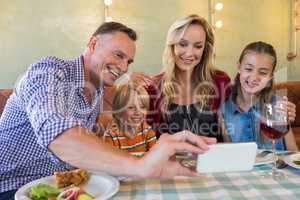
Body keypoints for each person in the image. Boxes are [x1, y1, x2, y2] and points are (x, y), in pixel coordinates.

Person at [0, 21, 217, 200]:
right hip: (11, 187)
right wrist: (139, 165)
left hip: (59, 188)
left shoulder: (98, 90)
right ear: (93, 44)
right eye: (118, 55)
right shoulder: (49, 71)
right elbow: (58, 133)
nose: (123, 68)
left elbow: (86, 151)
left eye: (128, 61)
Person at [144, 14, 231, 141]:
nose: (189, 53)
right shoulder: (153, 87)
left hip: (214, 159)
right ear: (172, 45)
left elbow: (233, 132)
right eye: (183, 44)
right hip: (169, 161)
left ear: (205, 49)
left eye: (197, 46)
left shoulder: (220, 81)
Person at [221, 41, 298, 151]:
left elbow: (294, 152)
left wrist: (287, 120)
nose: (254, 78)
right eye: (248, 69)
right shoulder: (224, 110)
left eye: (262, 72)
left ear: (270, 76)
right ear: (239, 67)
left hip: (277, 166)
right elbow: (229, 154)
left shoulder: (278, 105)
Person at [102, 81, 157, 154]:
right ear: (118, 112)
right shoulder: (112, 137)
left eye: (142, 107)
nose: (138, 112)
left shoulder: (147, 131)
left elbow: (156, 157)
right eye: (131, 107)